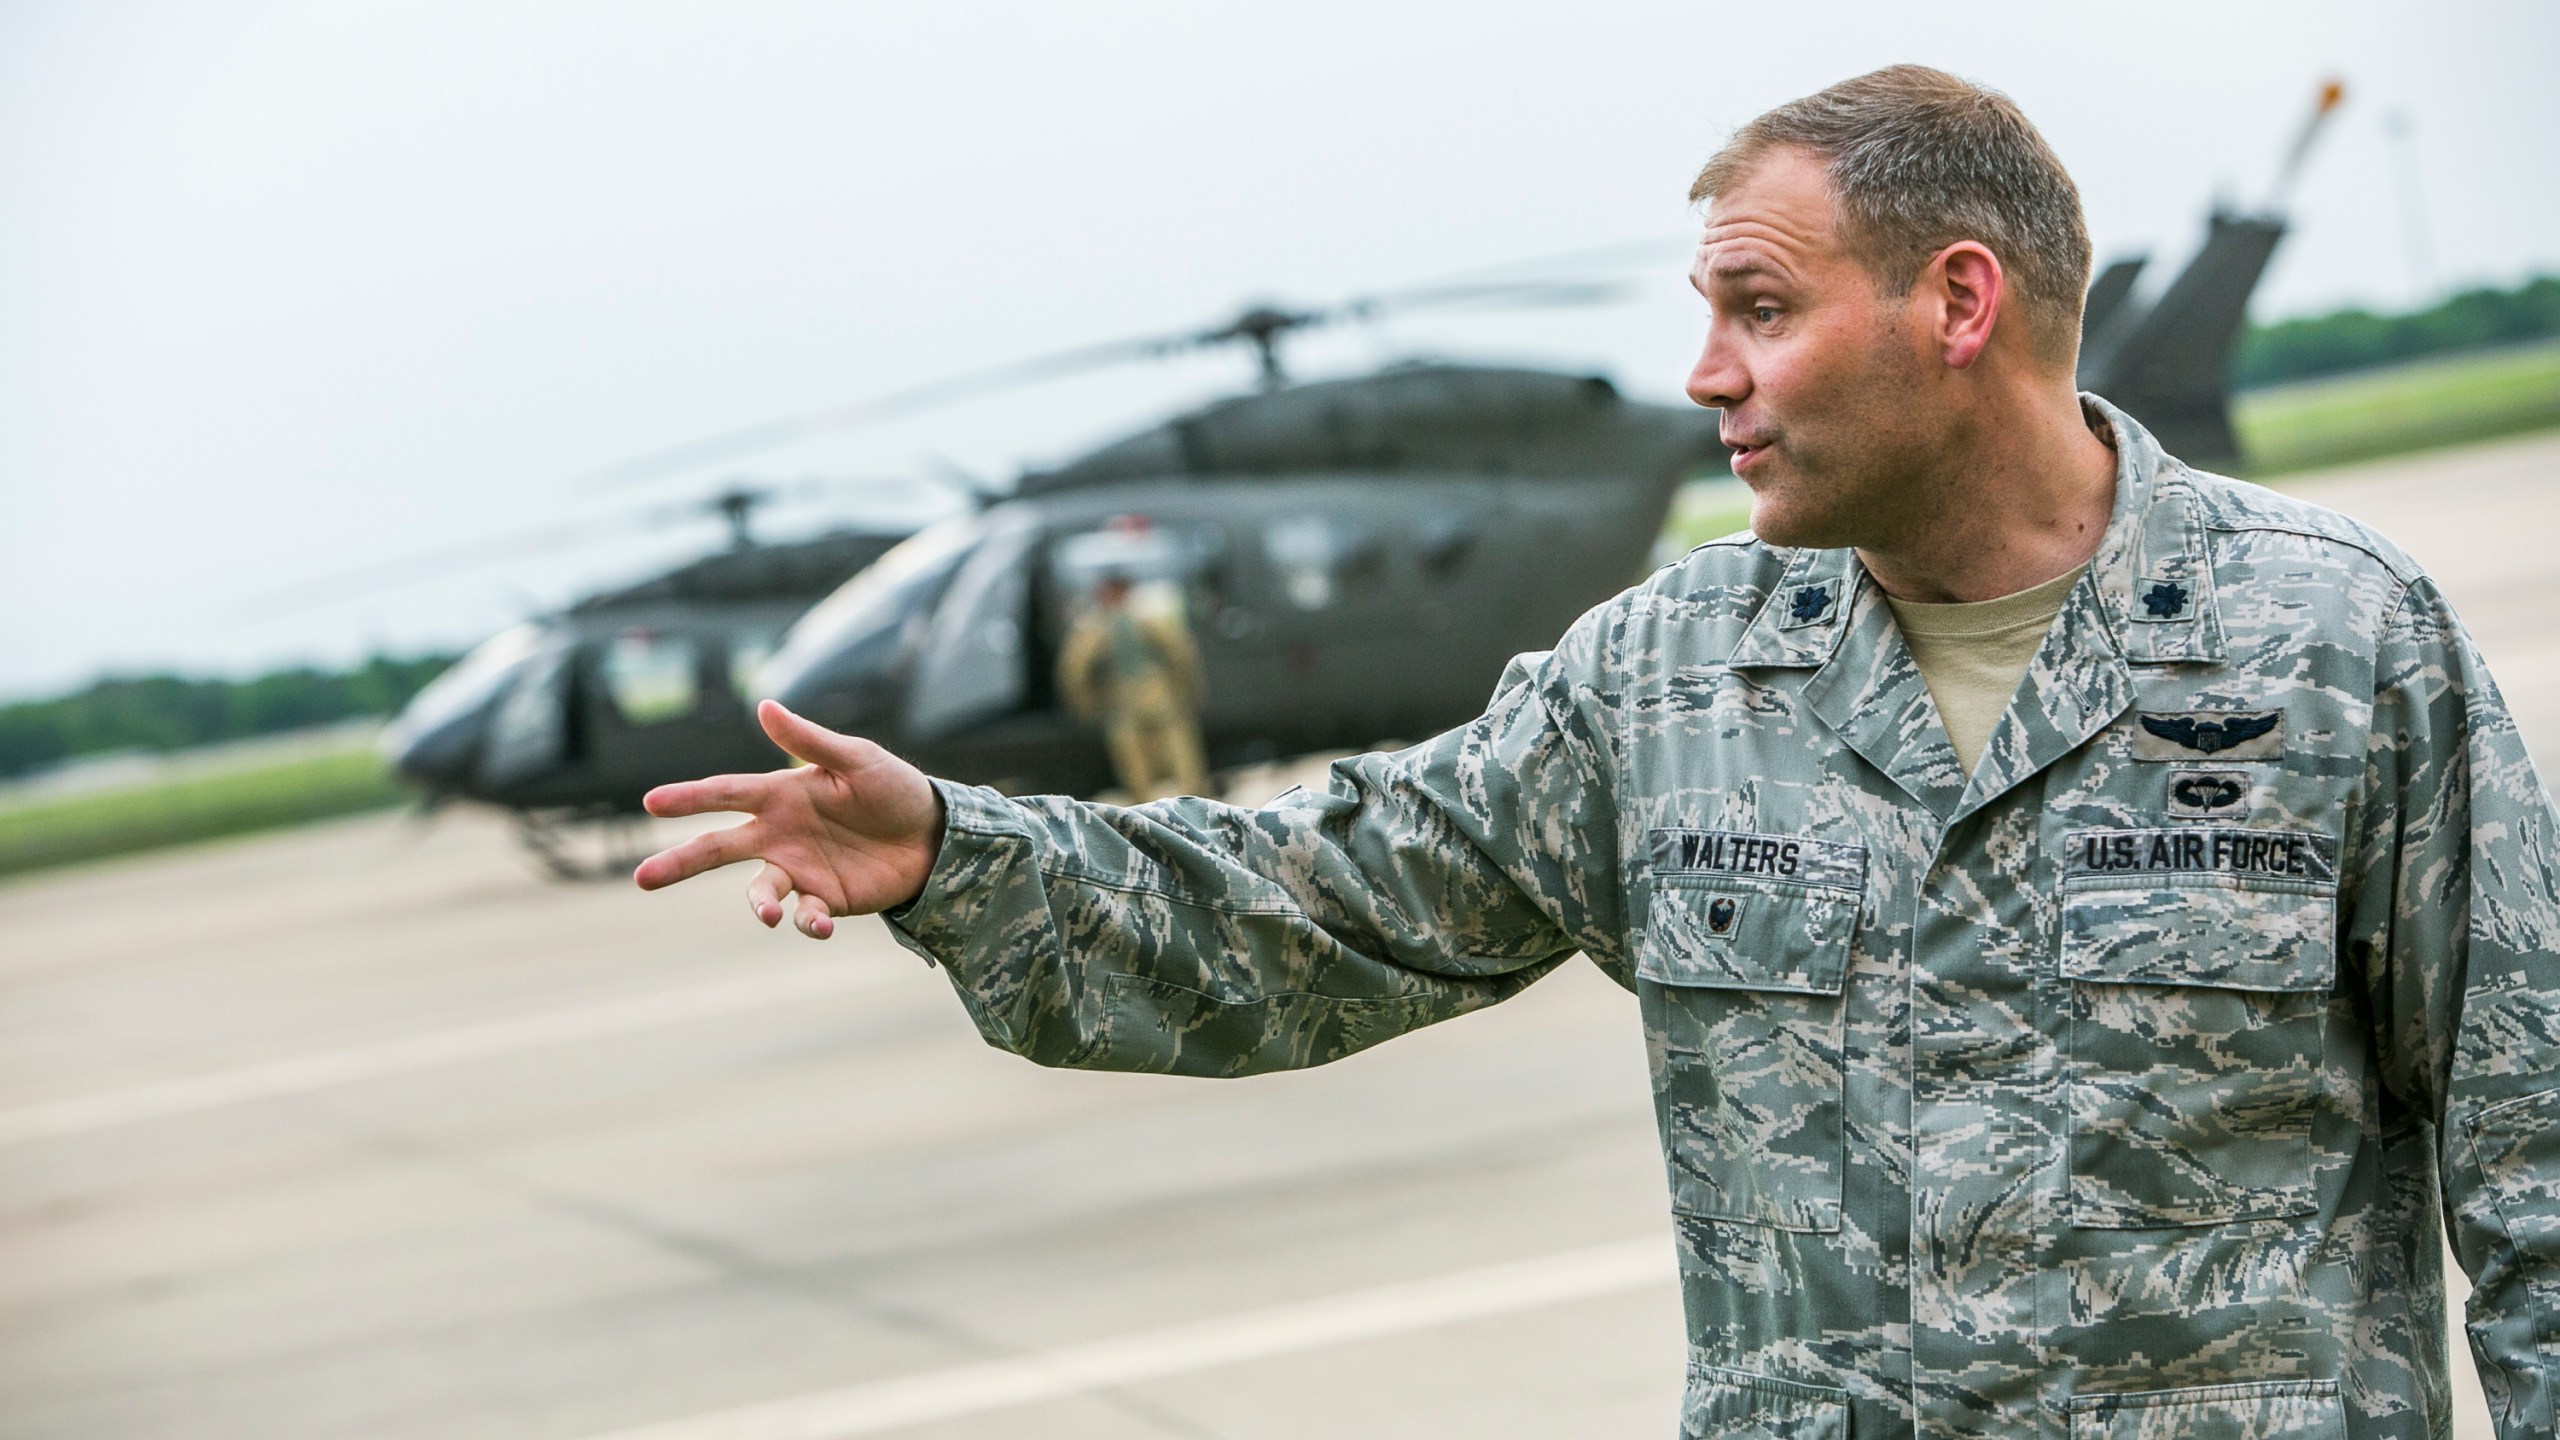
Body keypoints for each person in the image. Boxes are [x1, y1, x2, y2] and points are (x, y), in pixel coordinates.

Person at [634, 66, 2560, 1440]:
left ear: (1957, 303)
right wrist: (963, 848)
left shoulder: (2335, 642)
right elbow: (1322, 903)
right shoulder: (1662, 679)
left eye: (1760, 308)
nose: (1708, 374)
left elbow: (2535, 1148)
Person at [1052, 569, 1209, 800]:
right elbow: (1075, 671)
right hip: (1122, 703)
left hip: (1158, 697)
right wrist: (1086, 705)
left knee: (1183, 763)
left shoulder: (1149, 617)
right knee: (1136, 770)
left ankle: (1196, 803)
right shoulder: (1094, 627)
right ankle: (1146, 815)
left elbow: (1180, 654)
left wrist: (1188, 689)